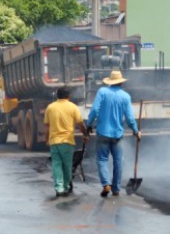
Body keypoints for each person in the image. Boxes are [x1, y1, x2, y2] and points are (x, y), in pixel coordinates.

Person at [86, 70, 141, 198]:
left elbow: (94, 110)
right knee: (118, 161)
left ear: (110, 82)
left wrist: (88, 124)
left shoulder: (102, 92)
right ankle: (116, 189)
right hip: (117, 134)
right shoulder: (125, 96)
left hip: (103, 132)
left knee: (102, 159)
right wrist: (136, 130)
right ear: (121, 82)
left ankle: (106, 184)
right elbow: (130, 118)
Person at [44, 87, 89, 197]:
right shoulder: (73, 107)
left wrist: (47, 140)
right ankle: (66, 186)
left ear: (57, 96)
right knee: (67, 165)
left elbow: (47, 127)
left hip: (54, 141)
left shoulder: (50, 107)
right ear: (68, 96)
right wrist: (85, 134)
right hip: (68, 141)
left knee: (56, 165)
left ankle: (59, 188)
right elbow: (80, 124)